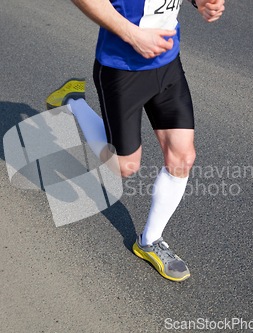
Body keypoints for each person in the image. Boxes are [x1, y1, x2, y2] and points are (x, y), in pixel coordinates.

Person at [46, 0, 225, 281]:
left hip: (167, 65)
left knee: (183, 158)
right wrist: (131, 34)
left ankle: (150, 241)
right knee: (124, 167)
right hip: (122, 69)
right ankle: (73, 101)